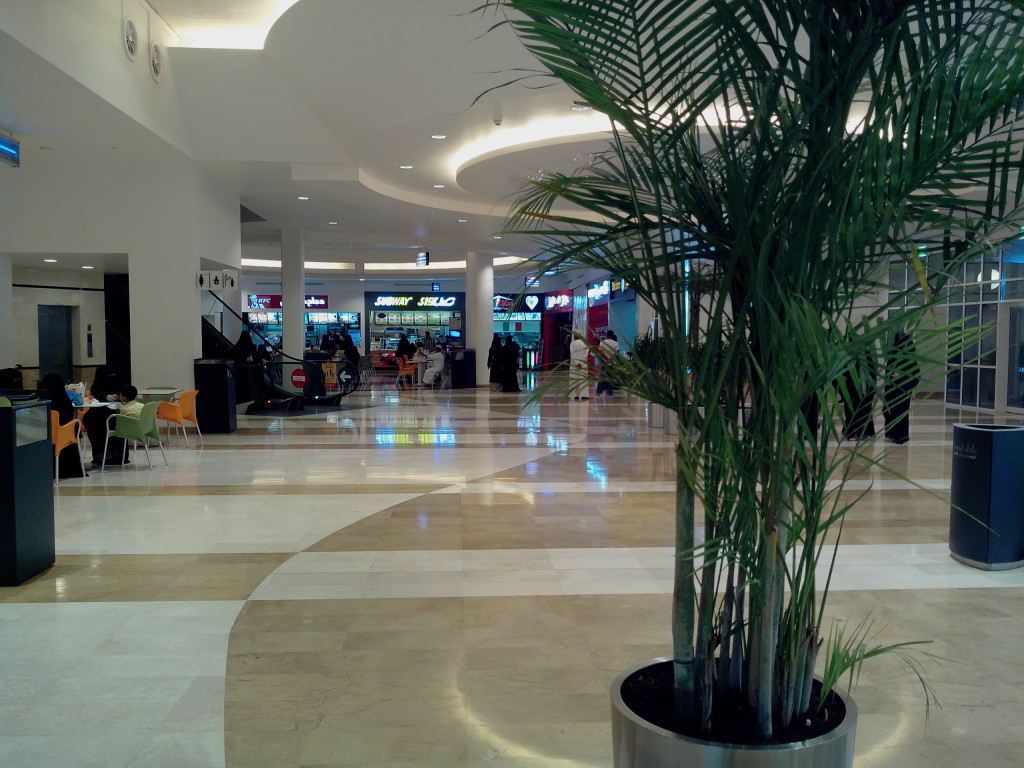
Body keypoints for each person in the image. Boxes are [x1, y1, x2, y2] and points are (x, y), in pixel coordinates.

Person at [37, 373, 87, 479]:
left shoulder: (40, 402)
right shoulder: (64, 400)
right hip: (63, 439)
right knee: (74, 426)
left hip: (41, 437)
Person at [83, 364, 126, 465]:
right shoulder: (96, 388)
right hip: (98, 414)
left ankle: (112, 455)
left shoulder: (119, 384)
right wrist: (107, 396)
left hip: (113, 414)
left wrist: (117, 396)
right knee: (95, 426)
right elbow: (95, 391)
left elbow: (122, 390)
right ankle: (101, 455)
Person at [882, 332, 921, 444]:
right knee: (894, 410)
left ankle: (900, 435)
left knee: (900, 411)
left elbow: (914, 373)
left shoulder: (908, 356)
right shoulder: (896, 354)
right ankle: (894, 434)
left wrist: (901, 376)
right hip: (895, 388)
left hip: (901, 389)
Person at [595, 331, 620, 396]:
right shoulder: (616, 343)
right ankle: (609, 392)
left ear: (606, 335)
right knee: (612, 378)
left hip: (604, 363)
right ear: (612, 335)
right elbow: (616, 353)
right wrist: (610, 359)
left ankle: (598, 392)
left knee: (602, 377)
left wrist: (606, 359)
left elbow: (600, 352)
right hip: (612, 363)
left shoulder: (602, 343)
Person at [569, 334, 590, 399]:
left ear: (574, 337)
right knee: (583, 380)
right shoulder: (585, 343)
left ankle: (575, 395)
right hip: (583, 365)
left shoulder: (572, 344)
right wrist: (581, 362)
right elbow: (586, 354)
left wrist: (577, 362)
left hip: (574, 365)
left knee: (574, 379)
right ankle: (584, 395)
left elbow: (573, 354)